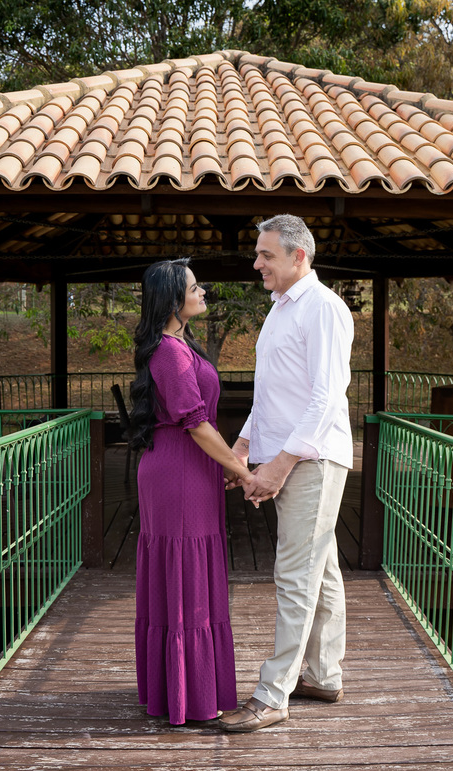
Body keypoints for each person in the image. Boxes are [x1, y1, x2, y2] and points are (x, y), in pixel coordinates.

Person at [219, 214, 355, 733]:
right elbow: (273, 393)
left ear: (299, 256)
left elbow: (326, 398)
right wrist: (245, 445)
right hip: (292, 456)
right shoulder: (281, 309)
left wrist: (278, 465)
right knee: (321, 571)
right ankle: (322, 673)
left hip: (312, 461)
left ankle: (273, 694)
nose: (257, 264)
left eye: (266, 256)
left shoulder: (323, 309)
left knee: (294, 575)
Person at [128, 258, 253, 725]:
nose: (204, 293)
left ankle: (189, 685)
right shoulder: (170, 351)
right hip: (176, 472)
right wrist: (241, 470)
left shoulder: (182, 345)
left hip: (189, 469)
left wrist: (225, 465)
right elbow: (196, 423)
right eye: (195, 288)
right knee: (185, 573)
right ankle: (186, 693)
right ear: (172, 299)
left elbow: (201, 424)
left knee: (194, 571)